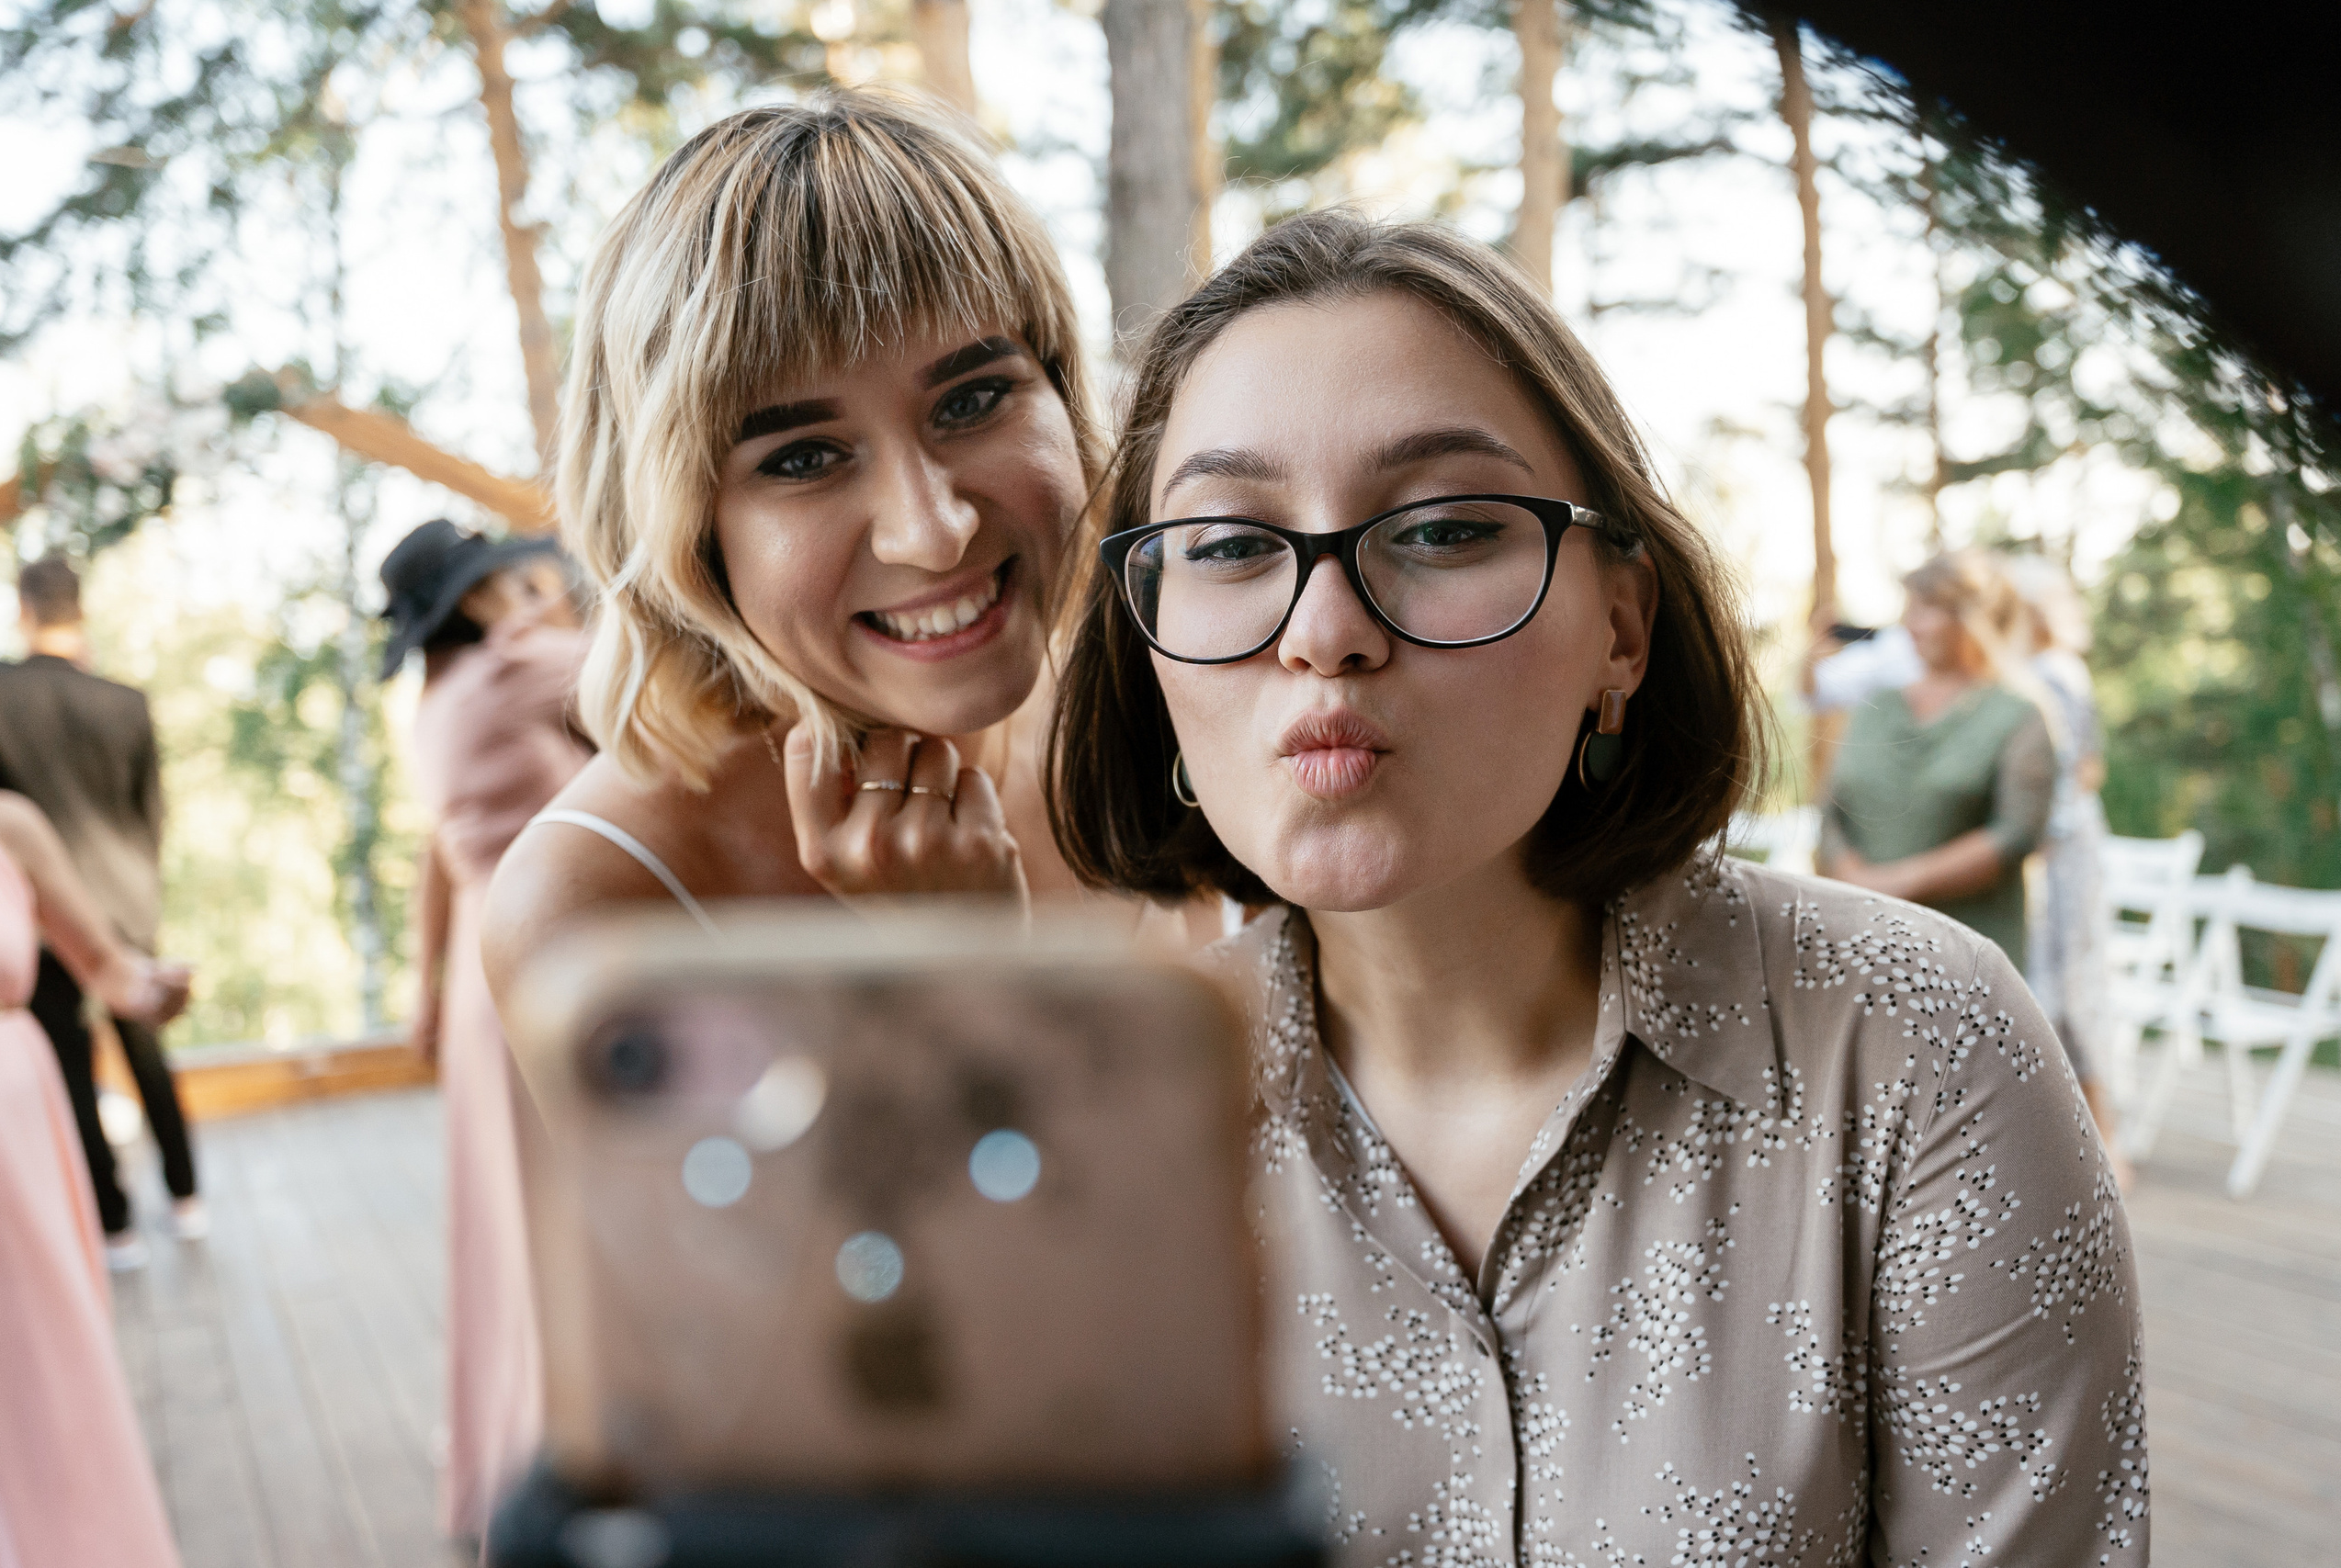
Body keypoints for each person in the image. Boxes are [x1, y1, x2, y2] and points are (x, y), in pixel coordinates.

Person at [1047, 211, 2146, 1564]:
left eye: (1444, 528)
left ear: (1620, 629)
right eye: (1226, 545)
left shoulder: (1917, 1049)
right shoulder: (1096, 1122)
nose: (1324, 633)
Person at [484, 89, 1167, 1006]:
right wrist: (968, 982)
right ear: (687, 533)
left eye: (970, 400)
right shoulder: (594, 909)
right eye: (803, 458)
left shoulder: (1165, 692)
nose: (932, 532)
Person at [378, 519, 591, 1546]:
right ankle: (562, 1440)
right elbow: (660, 679)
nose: (525, 589)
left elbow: (432, 855)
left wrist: (419, 985)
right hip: (544, 958)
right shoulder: (517, 668)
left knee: (501, 1220)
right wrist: (563, 614)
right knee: (559, 1216)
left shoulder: (431, 702)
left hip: (476, 969)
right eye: (505, 581)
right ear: (474, 604)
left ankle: (502, 1441)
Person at [0, 787, 189, 1568]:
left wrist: (150, 987)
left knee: (37, 1380)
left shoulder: (6, 824)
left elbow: (106, 967)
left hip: (7, 1134)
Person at [0, 552, 199, 1269]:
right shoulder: (125, 701)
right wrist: (138, 897)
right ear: (81, 610)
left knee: (70, 1065)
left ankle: (116, 1227)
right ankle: (188, 1196)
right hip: (125, 901)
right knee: (147, 1053)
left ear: (23, 609)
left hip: (34, 916)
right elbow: (152, 815)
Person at [1818, 550, 2055, 966]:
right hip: (1860, 945)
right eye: (1909, 609)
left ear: (1971, 619)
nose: (1910, 625)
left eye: (1927, 610)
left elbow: (2015, 835)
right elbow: (1833, 807)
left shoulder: (2019, 715)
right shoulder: (1877, 704)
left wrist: (1893, 884)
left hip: (1961, 959)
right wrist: (1851, 882)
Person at [2002, 552, 2126, 1173]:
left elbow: (2080, 767)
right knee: (2050, 984)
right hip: (2053, 847)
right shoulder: (2033, 672)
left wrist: (2041, 831)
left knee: (2070, 986)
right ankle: (2067, 1141)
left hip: (2064, 852)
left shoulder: (2052, 672)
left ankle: (2105, 1142)